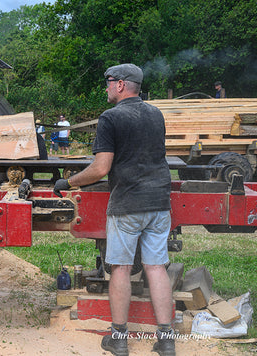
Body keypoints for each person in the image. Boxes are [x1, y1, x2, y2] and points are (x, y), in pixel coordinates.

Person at [53, 63, 175, 356]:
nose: (106, 87)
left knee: (120, 268)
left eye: (108, 82)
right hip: (159, 201)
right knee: (156, 267)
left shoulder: (111, 118)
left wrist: (67, 182)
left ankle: (119, 338)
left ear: (121, 84)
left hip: (128, 204)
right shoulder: (156, 114)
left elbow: (101, 168)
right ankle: (166, 340)